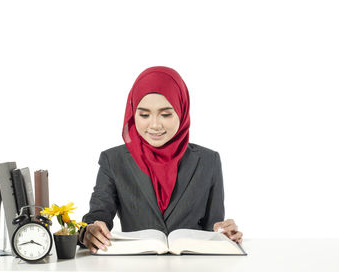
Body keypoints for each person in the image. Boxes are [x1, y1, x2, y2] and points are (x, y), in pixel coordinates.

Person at [79, 66, 243, 253]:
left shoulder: (209, 161)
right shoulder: (113, 160)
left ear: (182, 110)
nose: (155, 125)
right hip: (137, 265)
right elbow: (97, 216)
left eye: (166, 114)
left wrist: (223, 234)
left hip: (193, 265)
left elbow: (213, 227)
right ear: (133, 113)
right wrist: (89, 231)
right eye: (144, 114)